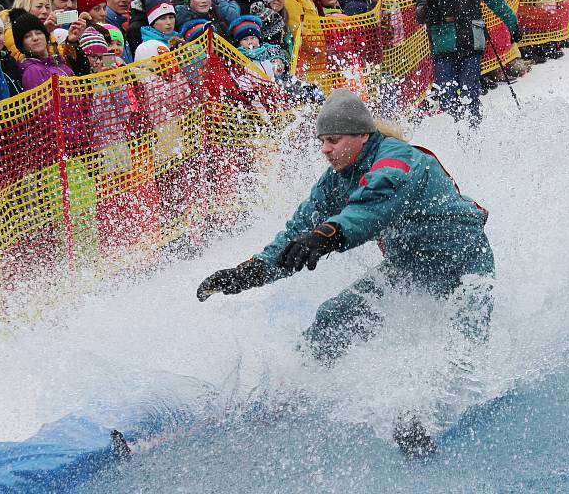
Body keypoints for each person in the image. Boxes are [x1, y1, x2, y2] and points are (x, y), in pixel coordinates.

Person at [197, 89, 495, 456]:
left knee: (460, 348)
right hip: (409, 268)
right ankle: (295, 390)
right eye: (322, 141)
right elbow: (296, 233)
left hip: (464, 265)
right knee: (333, 317)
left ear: (361, 136)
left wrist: (328, 235)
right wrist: (249, 274)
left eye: (333, 140)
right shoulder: (337, 178)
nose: (325, 149)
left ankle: (425, 421)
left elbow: (371, 209)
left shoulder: (398, 161)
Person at [415, 0, 519, 125]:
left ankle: (474, 132)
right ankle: (457, 132)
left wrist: (512, 24)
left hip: (471, 38)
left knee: (469, 90)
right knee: (447, 94)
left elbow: (495, 0)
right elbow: (421, 15)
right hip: (442, 42)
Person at [9, 9, 74, 90]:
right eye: (27, 36)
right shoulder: (32, 71)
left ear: (46, 37)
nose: (35, 38)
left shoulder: (56, 61)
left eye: (38, 33)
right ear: (22, 45)